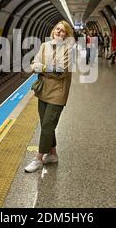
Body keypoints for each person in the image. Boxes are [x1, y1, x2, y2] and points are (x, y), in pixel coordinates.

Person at [25, 21, 74, 173]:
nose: (59, 32)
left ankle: (38, 159)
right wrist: (37, 66)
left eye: (63, 31)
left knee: (47, 125)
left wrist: (43, 68)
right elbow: (34, 64)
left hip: (58, 93)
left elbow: (61, 72)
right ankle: (52, 154)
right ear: (54, 31)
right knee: (46, 124)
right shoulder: (45, 46)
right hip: (43, 91)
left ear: (67, 34)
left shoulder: (68, 49)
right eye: (58, 29)